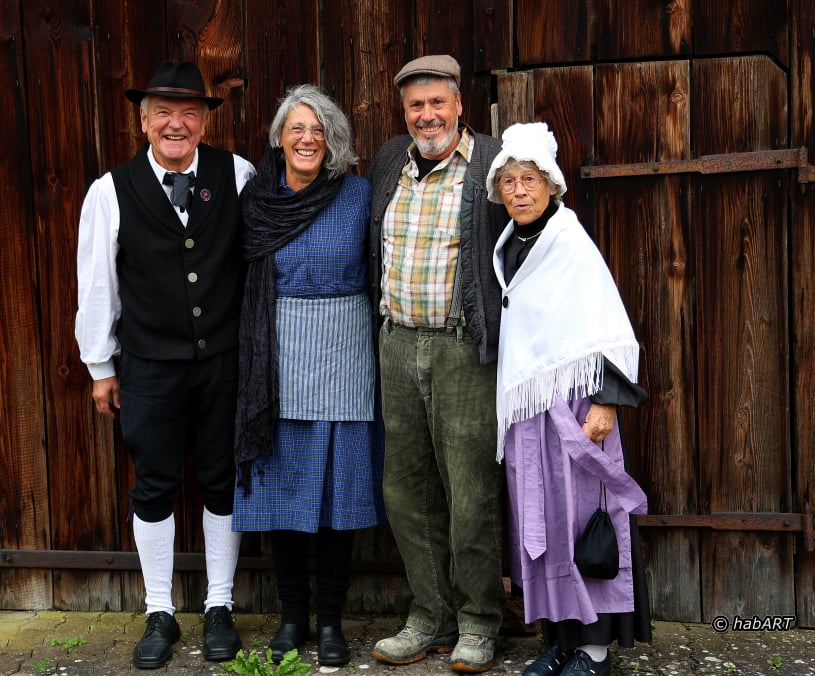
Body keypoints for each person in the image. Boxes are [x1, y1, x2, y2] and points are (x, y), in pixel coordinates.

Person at [75, 60, 254, 669]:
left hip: (224, 360)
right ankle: (159, 612)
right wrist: (100, 366)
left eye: (189, 113)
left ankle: (220, 605)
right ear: (143, 120)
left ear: (205, 121)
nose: (176, 124)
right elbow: (97, 283)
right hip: (149, 364)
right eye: (164, 113)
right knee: (153, 483)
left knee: (222, 478)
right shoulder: (110, 190)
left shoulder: (238, 174)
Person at [486, 122, 651, 676]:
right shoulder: (511, 244)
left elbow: (607, 323)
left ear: (552, 185)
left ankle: (595, 651)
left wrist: (605, 401)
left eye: (529, 180)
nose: (518, 192)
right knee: (544, 522)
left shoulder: (569, 242)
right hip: (530, 411)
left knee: (583, 519)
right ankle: (558, 640)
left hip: (577, 407)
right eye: (509, 182)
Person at [231, 84, 385, 668]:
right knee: (283, 496)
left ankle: (330, 623)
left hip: (346, 359)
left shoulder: (357, 194)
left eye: (319, 130)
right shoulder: (257, 201)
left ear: (333, 140)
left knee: (339, 500)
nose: (307, 139)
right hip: (276, 362)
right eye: (297, 128)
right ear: (279, 138)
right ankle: (292, 618)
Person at [368, 55, 509, 673]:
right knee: (405, 490)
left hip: (462, 349)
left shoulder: (492, 162)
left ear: (458, 106)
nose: (427, 116)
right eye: (415, 106)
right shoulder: (388, 161)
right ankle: (430, 616)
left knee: (470, 491)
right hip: (396, 344)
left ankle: (478, 622)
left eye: (436, 104)